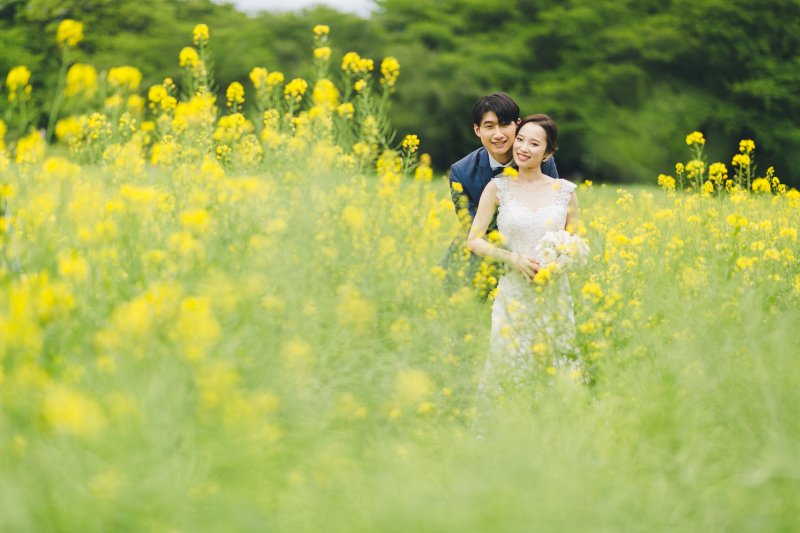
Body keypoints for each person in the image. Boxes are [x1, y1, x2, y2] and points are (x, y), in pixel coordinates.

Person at [466, 114, 585, 422]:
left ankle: (557, 428)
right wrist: (512, 259)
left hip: (554, 292)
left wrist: (557, 268)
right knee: (508, 360)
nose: (523, 148)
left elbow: (576, 242)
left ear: (547, 153)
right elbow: (475, 240)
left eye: (534, 144)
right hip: (513, 292)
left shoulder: (565, 191)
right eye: (521, 139)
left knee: (555, 358)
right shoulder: (497, 188)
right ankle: (507, 431)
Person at [439, 93, 559, 297]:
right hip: (476, 263)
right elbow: (473, 230)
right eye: (489, 126)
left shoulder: (542, 161)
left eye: (505, 124)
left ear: (517, 125)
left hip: (531, 262)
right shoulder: (461, 172)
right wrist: (513, 258)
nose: (498, 134)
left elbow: (553, 214)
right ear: (477, 130)